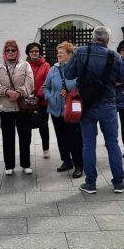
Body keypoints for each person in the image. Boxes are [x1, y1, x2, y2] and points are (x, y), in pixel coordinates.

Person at [64, 26, 124, 194]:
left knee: (89, 144)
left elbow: (68, 74)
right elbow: (122, 78)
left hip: (87, 104)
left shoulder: (81, 52)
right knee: (112, 143)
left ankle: (90, 183)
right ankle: (118, 183)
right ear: (108, 39)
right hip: (108, 104)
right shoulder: (115, 56)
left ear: (92, 37)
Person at [0, 39, 34, 175]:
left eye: (13, 50)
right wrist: (6, 91)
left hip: (23, 107)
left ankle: (25, 163)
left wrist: (18, 93)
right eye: (7, 50)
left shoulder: (25, 65)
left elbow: (30, 83)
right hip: (6, 107)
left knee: (25, 137)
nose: (10, 52)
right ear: (4, 52)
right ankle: (9, 165)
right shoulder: (0, 67)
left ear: (17, 51)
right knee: (8, 137)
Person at [43, 41, 83, 178]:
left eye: (62, 52)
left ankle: (78, 165)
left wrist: (72, 92)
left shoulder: (77, 68)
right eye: (58, 52)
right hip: (56, 110)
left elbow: (80, 87)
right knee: (60, 137)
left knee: (74, 138)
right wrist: (51, 97)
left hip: (71, 110)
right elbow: (45, 87)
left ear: (70, 54)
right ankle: (66, 161)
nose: (59, 55)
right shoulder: (53, 69)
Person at [26, 42, 51, 158]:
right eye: (31, 51)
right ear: (28, 53)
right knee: (27, 126)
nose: (34, 53)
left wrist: (38, 96)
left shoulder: (46, 65)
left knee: (43, 126)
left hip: (42, 101)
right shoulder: (25, 65)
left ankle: (46, 149)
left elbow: (47, 82)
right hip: (27, 101)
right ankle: (27, 149)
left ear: (40, 52)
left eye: (36, 51)